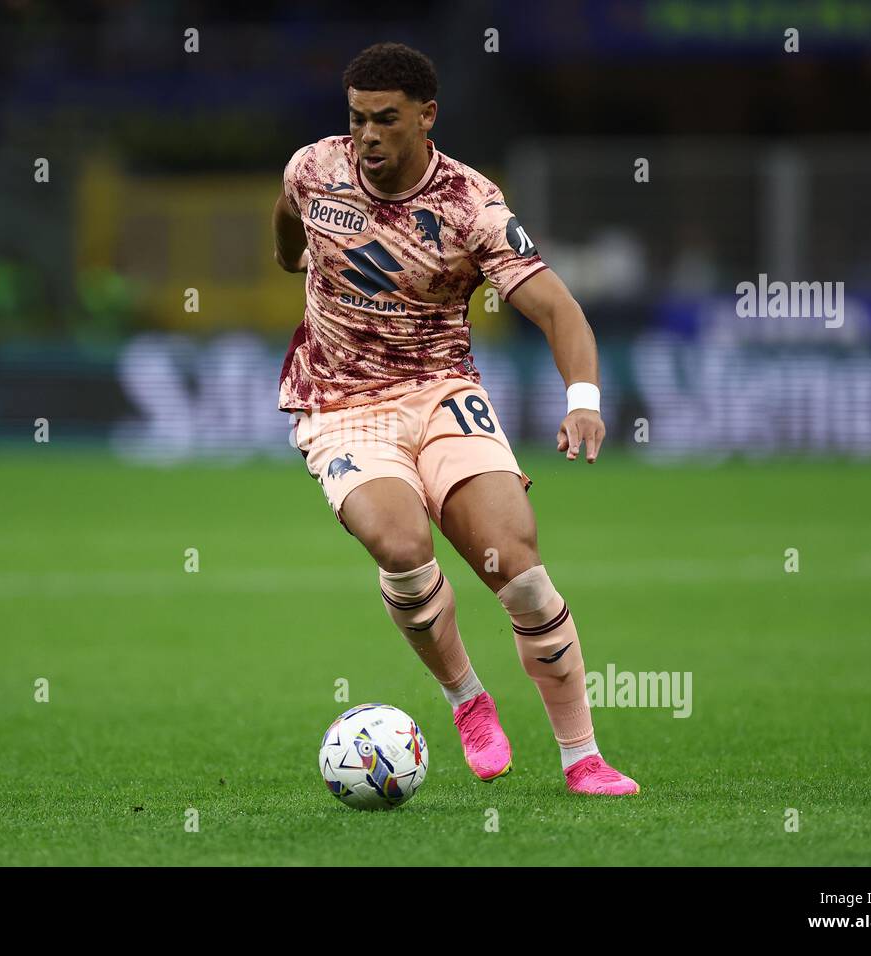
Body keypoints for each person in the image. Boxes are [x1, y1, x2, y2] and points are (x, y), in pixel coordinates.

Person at [272, 42, 638, 795]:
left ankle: (583, 759)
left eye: (385, 120)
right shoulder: (316, 169)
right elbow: (287, 215)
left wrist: (583, 402)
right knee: (400, 542)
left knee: (519, 567)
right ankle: (468, 698)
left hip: (441, 392)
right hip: (341, 402)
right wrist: (294, 259)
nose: (366, 136)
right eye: (356, 119)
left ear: (426, 117)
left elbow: (559, 309)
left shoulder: (471, 205)